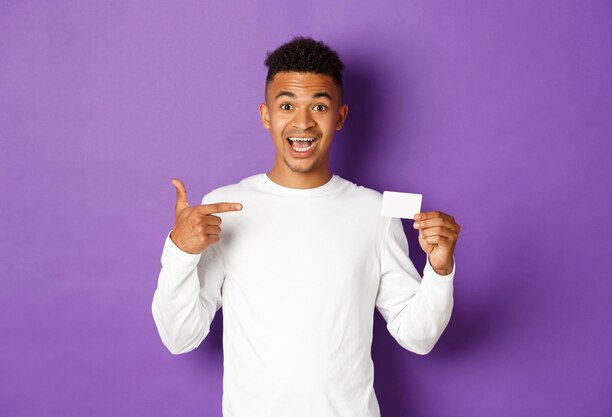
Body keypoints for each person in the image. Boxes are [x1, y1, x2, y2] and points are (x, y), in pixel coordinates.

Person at [152, 37, 460, 417]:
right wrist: (179, 250)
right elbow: (179, 337)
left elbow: (419, 337)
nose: (302, 122)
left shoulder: (374, 212)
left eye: (319, 106)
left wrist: (440, 270)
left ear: (341, 117)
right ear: (266, 115)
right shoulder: (226, 207)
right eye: (287, 106)